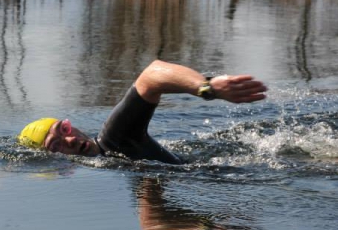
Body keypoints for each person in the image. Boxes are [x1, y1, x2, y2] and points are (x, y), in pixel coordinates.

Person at [18, 60, 267, 164]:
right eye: (56, 145)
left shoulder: (114, 137)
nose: (71, 139)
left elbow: (151, 75)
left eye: (64, 129)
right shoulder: (107, 159)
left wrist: (207, 88)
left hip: (246, 173)